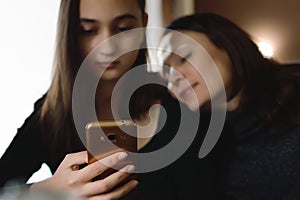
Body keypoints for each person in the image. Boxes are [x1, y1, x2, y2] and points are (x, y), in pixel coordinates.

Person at [0, 0, 166, 199]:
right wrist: (50, 189)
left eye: (124, 28)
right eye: (87, 30)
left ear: (143, 24)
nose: (108, 47)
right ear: (70, 33)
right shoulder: (52, 113)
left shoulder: (177, 97)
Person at [158, 13, 300, 199]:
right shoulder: (192, 148)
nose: (174, 77)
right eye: (166, 73)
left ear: (228, 45)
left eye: (184, 58)